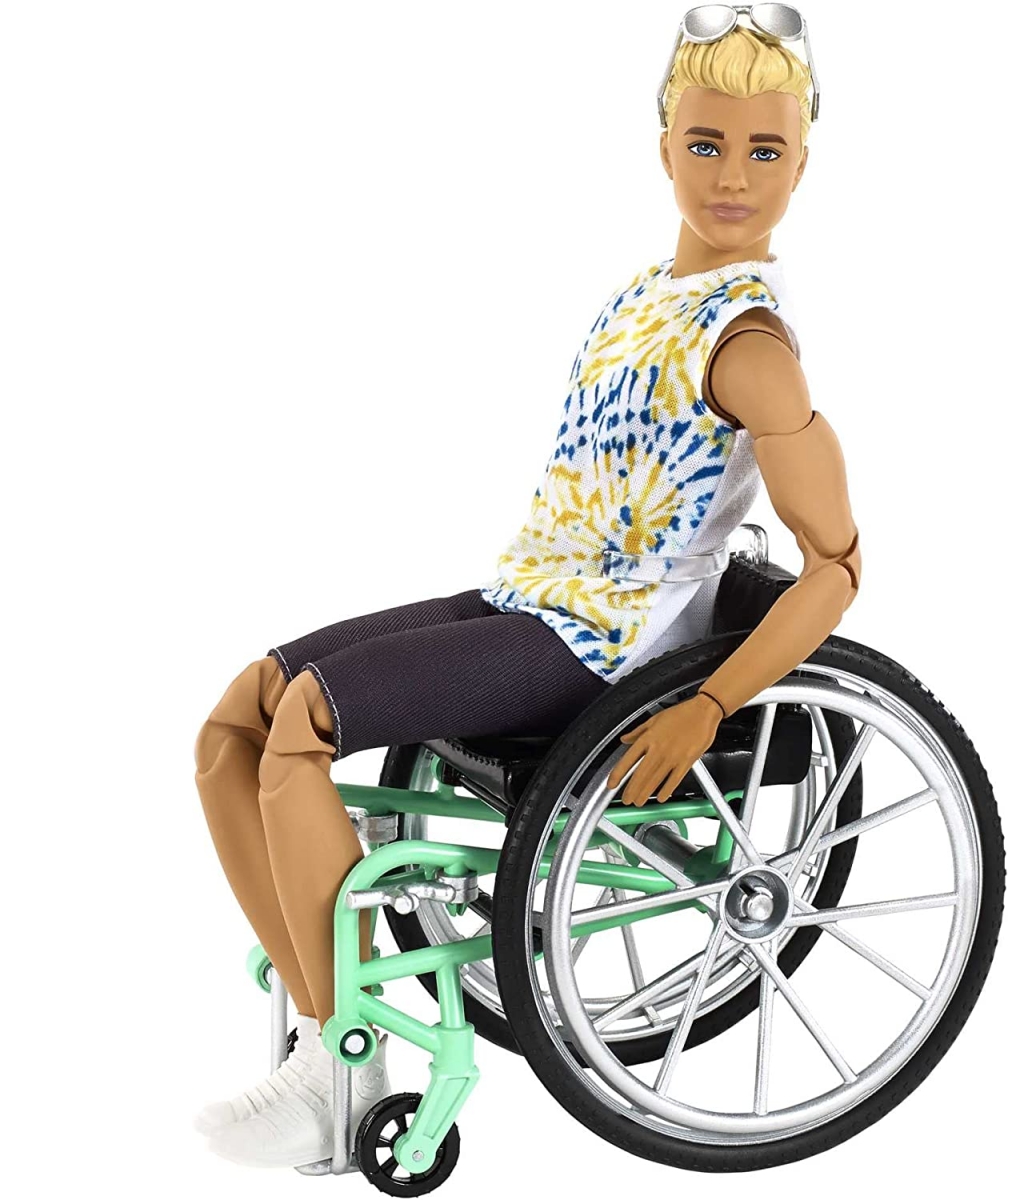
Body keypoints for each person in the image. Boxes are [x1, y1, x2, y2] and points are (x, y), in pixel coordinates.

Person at [192, 9, 860, 1171]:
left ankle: (345, 1059)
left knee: (300, 726)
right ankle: (324, 1021)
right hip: (531, 591)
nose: (733, 177)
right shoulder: (643, 297)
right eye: (708, 144)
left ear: (802, 164)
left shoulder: (752, 348)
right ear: (665, 147)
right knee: (235, 719)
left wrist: (706, 704)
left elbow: (838, 568)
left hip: (604, 641)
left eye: (766, 150)